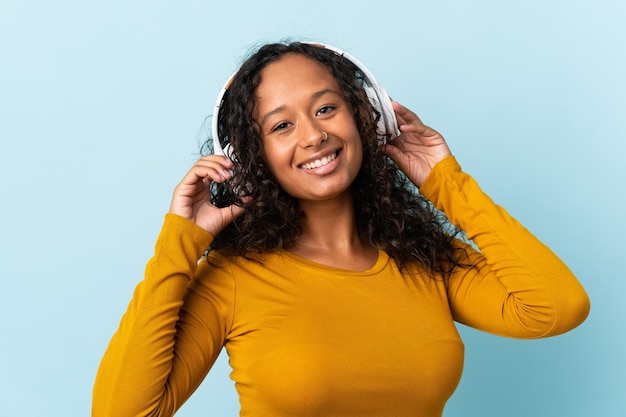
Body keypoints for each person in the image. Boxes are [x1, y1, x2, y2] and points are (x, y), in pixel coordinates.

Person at [92, 41, 590, 417]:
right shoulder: (233, 279)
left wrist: (446, 182)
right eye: (281, 126)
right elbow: (123, 411)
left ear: (365, 118)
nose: (314, 135)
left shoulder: (426, 260)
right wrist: (183, 240)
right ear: (252, 157)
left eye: (326, 108)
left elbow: (555, 308)